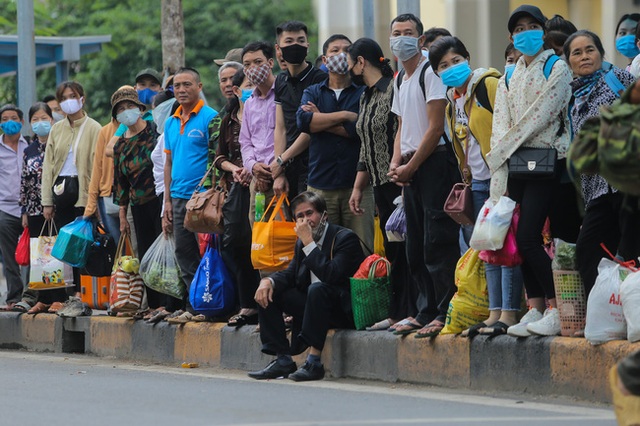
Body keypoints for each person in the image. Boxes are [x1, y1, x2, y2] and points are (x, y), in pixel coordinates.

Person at [486, 5, 572, 337]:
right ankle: (534, 307)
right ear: (511, 37)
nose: (526, 32)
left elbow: (543, 116)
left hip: (547, 162)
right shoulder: (509, 73)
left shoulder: (557, 66)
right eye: (519, 28)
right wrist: (501, 163)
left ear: (543, 29)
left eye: (532, 25)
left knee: (529, 236)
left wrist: (502, 150)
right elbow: (500, 123)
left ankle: (555, 308)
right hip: (514, 165)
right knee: (518, 239)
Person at [429, 36, 524, 336]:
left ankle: (509, 312)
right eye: (443, 65)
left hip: (502, 179)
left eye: (456, 61)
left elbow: (513, 126)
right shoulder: (452, 102)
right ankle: (494, 311)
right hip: (479, 184)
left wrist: (507, 177)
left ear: (467, 58)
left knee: (507, 248)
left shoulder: (488, 86)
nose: (451, 68)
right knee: (488, 249)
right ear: (437, 73)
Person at [386, 13, 460, 338]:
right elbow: (402, 126)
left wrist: (411, 166)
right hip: (410, 166)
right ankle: (423, 310)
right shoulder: (400, 78)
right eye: (396, 33)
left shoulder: (431, 72)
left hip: (434, 164)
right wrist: (395, 163)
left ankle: (445, 311)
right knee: (413, 243)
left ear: (420, 40)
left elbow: (434, 127)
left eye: (408, 33)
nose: (401, 38)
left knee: (437, 242)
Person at [248, 191, 365, 381]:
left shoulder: (344, 238)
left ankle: (314, 362)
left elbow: (331, 275)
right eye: (299, 216)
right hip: (314, 306)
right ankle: (282, 359)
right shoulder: (301, 242)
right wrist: (268, 281)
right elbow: (291, 274)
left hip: (341, 309)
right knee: (271, 292)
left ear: (324, 216)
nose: (305, 220)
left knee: (317, 289)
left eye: (309, 213)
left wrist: (309, 242)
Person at [346, 37, 415, 331]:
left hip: (400, 181)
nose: (348, 68)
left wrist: (400, 170)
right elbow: (365, 145)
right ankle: (398, 311)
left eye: (350, 63)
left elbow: (403, 130)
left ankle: (411, 310)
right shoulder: (366, 96)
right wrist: (358, 187)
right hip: (378, 184)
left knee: (409, 248)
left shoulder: (394, 89)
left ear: (361, 62)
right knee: (392, 247)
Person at [567, 31, 635, 301]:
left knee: (629, 253)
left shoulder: (619, 78)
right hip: (597, 189)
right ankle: (606, 312)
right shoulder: (573, 99)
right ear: (569, 61)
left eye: (590, 49)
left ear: (601, 53)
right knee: (587, 253)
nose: (585, 56)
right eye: (577, 52)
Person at [296, 34, 373, 249]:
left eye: (346, 50)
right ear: (324, 58)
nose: (341, 54)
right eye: (335, 50)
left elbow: (359, 130)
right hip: (321, 185)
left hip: (357, 186)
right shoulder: (313, 91)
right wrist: (346, 116)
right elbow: (303, 122)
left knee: (362, 249)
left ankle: (362, 285)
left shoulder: (364, 93)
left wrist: (320, 118)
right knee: (322, 248)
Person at [162, 67, 218, 324]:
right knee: (184, 253)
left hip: (203, 199)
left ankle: (214, 303)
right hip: (177, 197)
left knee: (211, 252)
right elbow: (168, 163)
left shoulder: (210, 117)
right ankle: (193, 305)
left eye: (187, 84)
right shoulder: (171, 121)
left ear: (199, 86)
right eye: (177, 86)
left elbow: (217, 159)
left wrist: (211, 194)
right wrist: (167, 202)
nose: (181, 90)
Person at [41, 81, 102, 297]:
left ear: (82, 98)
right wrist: (47, 201)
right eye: (64, 98)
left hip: (84, 194)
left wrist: (93, 201)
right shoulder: (56, 129)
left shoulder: (95, 128)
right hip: (61, 193)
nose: (69, 101)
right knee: (63, 246)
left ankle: (84, 293)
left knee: (82, 245)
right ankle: (66, 293)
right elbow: (48, 166)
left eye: (72, 96)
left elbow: (98, 165)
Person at [111, 87, 167, 313]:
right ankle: (154, 304)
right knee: (145, 255)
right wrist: (123, 216)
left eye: (130, 106)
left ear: (140, 108)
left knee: (166, 251)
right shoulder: (120, 146)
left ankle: (170, 303)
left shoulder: (155, 132)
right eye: (121, 109)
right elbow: (121, 184)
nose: (127, 112)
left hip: (162, 200)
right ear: (116, 117)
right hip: (138, 206)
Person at [214, 69, 260, 328]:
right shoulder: (229, 119)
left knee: (262, 243)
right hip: (237, 189)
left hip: (262, 183)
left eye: (253, 84)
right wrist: (236, 170)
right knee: (236, 244)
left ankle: (269, 303)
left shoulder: (265, 112)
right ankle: (247, 303)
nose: (249, 89)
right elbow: (220, 157)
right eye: (246, 85)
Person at [14, 103, 68, 314]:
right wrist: (25, 211)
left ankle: (59, 297)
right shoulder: (29, 149)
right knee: (40, 256)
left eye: (43, 118)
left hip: (55, 206)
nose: (40, 123)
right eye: (35, 119)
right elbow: (25, 181)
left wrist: (52, 203)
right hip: (35, 210)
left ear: (52, 120)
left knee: (56, 253)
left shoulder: (58, 144)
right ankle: (43, 298)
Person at [270, 21, 327, 200]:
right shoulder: (280, 80)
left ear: (307, 46)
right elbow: (280, 127)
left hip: (314, 163)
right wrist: (279, 173)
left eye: (301, 40)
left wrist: (281, 160)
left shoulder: (320, 79)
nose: (295, 45)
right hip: (289, 166)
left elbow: (313, 127)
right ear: (279, 49)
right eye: (289, 41)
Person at [238, 41, 278, 225]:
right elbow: (246, 142)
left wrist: (270, 169)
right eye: (247, 64)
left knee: (282, 235)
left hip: (279, 177)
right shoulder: (250, 104)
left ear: (270, 63)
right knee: (259, 237)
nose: (252, 68)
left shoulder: (283, 95)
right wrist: (254, 167)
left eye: (258, 62)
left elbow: (286, 134)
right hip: (257, 183)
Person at [0, 104, 30, 310]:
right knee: (10, 257)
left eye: (14, 117)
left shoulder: (30, 146)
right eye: (5, 118)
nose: (10, 121)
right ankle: (13, 297)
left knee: (35, 252)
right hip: (5, 209)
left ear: (21, 121)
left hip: (30, 208)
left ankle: (32, 295)